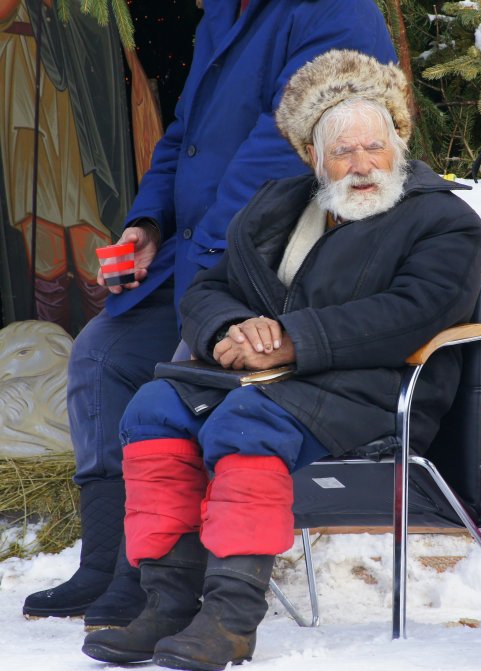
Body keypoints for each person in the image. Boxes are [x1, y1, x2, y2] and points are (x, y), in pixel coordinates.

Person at [80, 49, 481, 670]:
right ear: (313, 159)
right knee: (155, 408)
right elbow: (208, 289)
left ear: (398, 142)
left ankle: (230, 618)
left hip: (373, 388)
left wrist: (288, 337)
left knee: (244, 425)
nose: (361, 166)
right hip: (266, 378)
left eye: (374, 147)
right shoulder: (280, 207)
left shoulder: (443, 220)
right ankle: (167, 602)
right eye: (342, 152)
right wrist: (230, 327)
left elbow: (411, 312)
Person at [23, 0, 396, 627]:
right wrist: (149, 221)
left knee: (178, 379)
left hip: (277, 265)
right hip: (196, 251)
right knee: (101, 353)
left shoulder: (336, 10)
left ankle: (150, 574)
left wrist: (210, 264)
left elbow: (283, 148)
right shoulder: (224, 13)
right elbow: (184, 137)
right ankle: (106, 559)